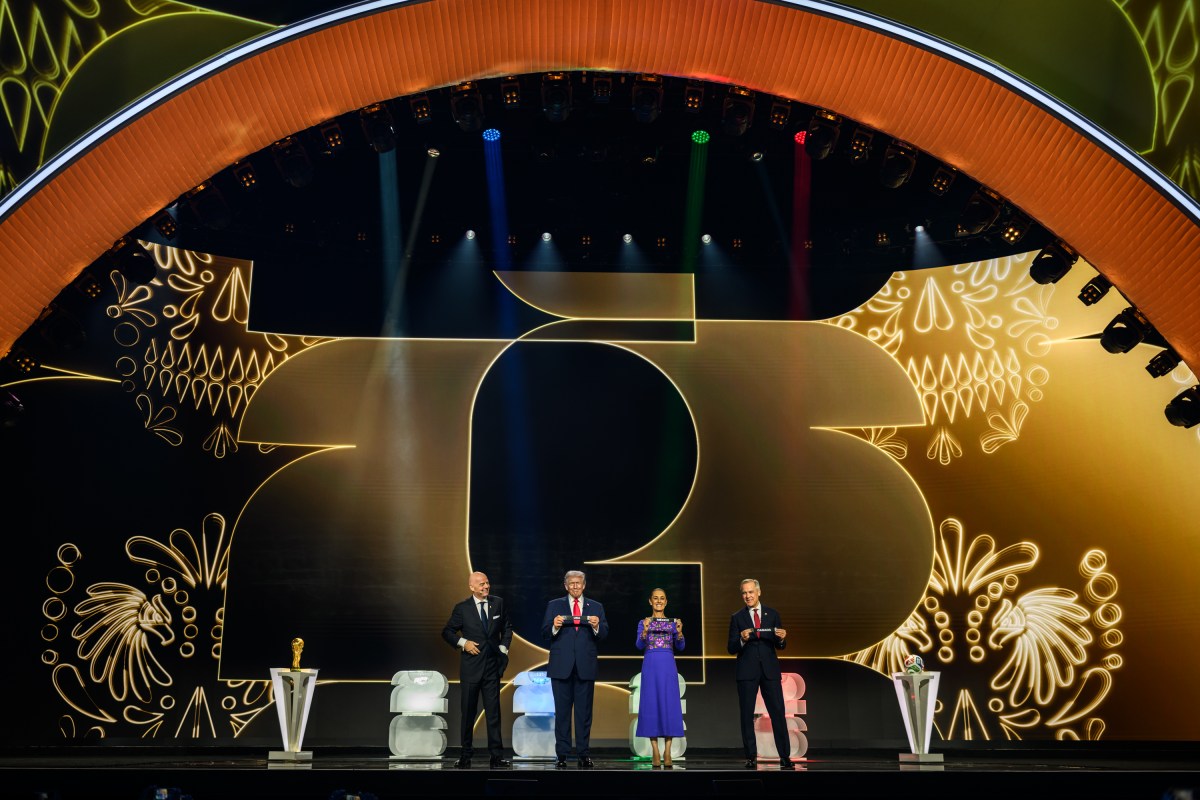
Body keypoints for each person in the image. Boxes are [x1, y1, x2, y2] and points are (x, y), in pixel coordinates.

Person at [442, 571, 513, 769]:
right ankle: (465, 755)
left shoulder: (497, 603)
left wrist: (502, 648)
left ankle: (496, 756)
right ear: (472, 587)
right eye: (481, 584)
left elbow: (507, 628)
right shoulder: (462, 608)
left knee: (493, 713)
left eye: (487, 583)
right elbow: (447, 632)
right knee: (468, 713)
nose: (486, 586)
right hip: (471, 668)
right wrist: (463, 643)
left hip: (492, 668)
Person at [540, 569, 608, 769]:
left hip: (585, 668)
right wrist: (554, 625)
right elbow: (544, 632)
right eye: (572, 583)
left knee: (584, 714)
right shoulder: (554, 606)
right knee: (561, 714)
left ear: (584, 585)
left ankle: (583, 754)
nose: (575, 586)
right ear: (566, 586)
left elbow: (604, 633)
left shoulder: (596, 606)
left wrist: (596, 626)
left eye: (579, 583)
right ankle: (561, 755)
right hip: (561, 667)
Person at [727, 578, 794, 770]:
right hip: (746, 672)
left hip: (769, 671)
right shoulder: (737, 617)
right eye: (744, 593)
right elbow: (731, 648)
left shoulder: (772, 614)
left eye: (750, 592)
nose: (747, 596)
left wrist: (782, 640)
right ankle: (751, 757)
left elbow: (780, 645)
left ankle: (784, 756)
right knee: (747, 715)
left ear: (758, 592)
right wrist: (741, 639)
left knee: (778, 714)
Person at [635, 588, 685, 768]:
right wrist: (645, 631)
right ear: (650, 601)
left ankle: (668, 750)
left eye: (662, 598)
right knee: (651, 705)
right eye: (655, 598)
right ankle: (655, 749)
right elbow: (639, 645)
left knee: (669, 705)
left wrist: (679, 632)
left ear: (666, 602)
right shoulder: (644, 622)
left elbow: (681, 646)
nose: (658, 601)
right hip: (650, 664)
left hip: (667, 665)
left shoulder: (673, 623)